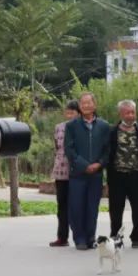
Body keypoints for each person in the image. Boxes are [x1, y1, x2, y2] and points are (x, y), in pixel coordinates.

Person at [64, 92, 111, 250]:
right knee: (76, 207)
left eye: (88, 103)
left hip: (96, 174)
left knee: (92, 208)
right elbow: (69, 150)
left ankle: (91, 237)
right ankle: (79, 239)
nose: (86, 106)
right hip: (78, 174)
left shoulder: (104, 126)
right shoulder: (71, 126)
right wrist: (85, 165)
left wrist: (99, 164)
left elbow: (108, 150)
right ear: (80, 106)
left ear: (94, 105)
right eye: (82, 103)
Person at [107, 100, 138, 248]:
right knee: (116, 209)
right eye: (127, 112)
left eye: (133, 112)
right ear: (121, 113)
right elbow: (108, 154)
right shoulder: (112, 131)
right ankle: (116, 236)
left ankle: (137, 237)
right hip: (117, 176)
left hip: (136, 176)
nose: (131, 115)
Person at [49, 100, 80, 247]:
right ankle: (62, 236)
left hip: (76, 171)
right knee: (62, 206)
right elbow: (57, 147)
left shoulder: (82, 127)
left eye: (72, 112)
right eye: (67, 112)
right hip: (61, 171)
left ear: (78, 113)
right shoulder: (58, 127)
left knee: (77, 206)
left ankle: (80, 237)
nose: (69, 115)